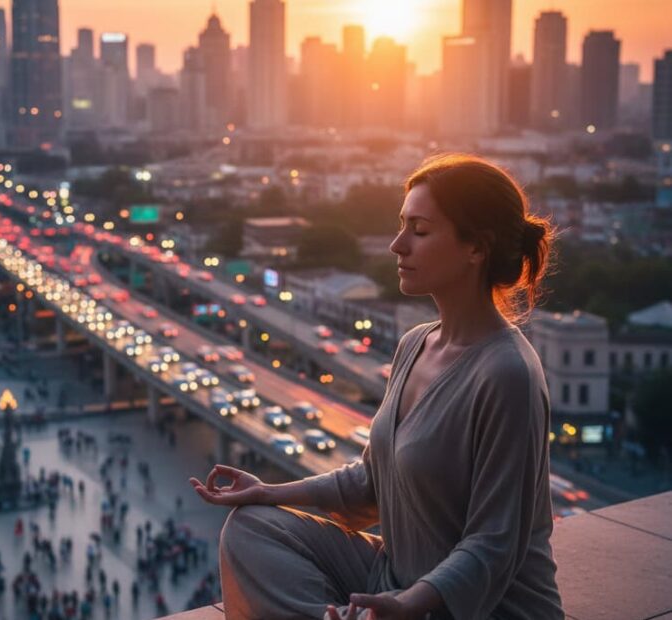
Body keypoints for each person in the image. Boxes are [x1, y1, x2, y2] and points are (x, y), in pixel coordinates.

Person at [191, 154, 564, 620]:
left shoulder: (507, 374)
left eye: (420, 230)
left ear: (476, 248)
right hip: (398, 578)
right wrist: (268, 492)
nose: (397, 245)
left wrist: (408, 604)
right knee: (251, 530)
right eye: (401, 225)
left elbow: (493, 544)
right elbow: (369, 482)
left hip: (476, 606)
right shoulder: (414, 343)